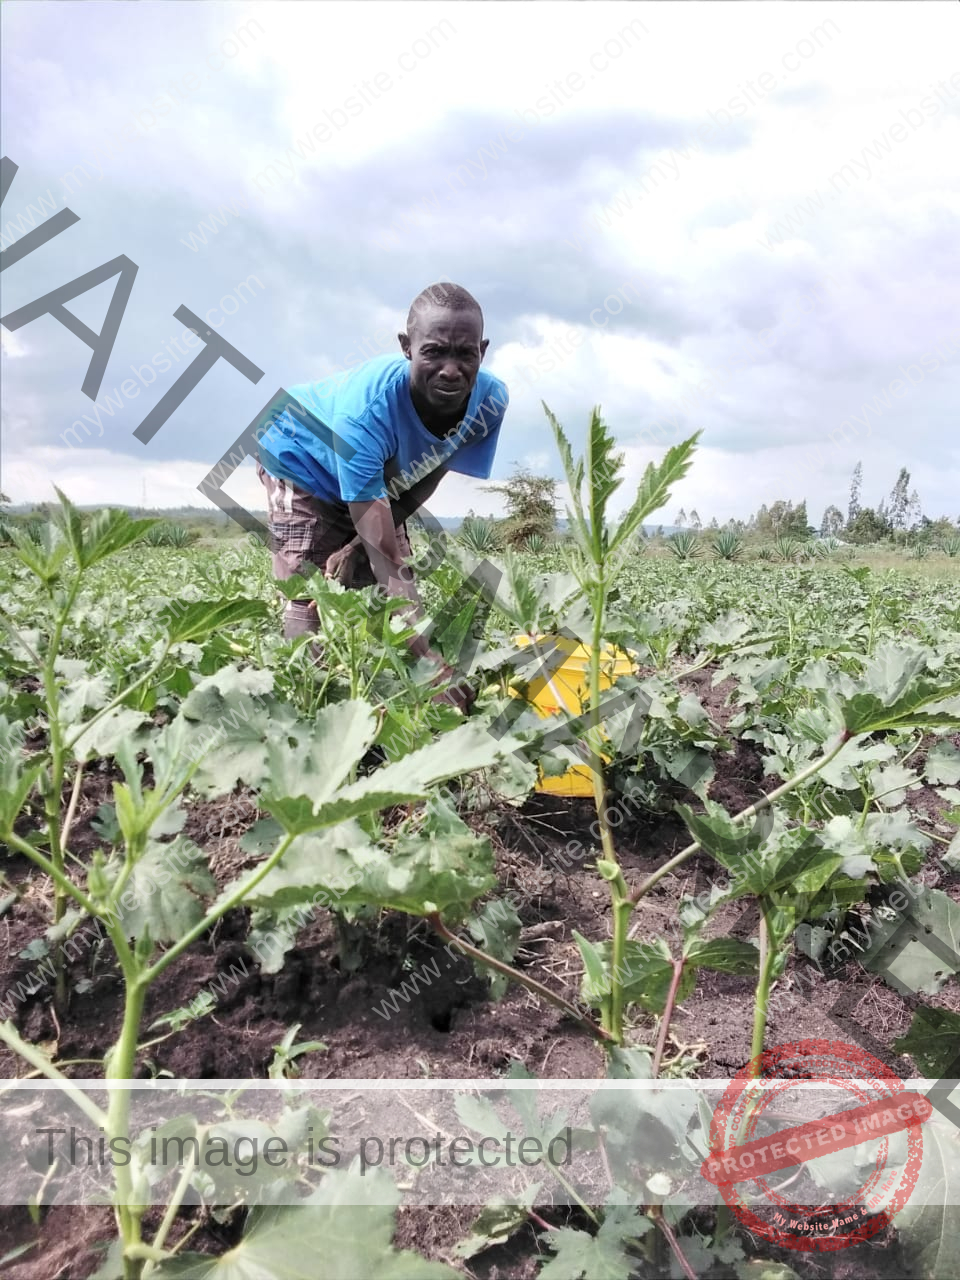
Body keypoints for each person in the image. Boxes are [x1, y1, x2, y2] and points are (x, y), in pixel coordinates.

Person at [255, 282, 509, 710]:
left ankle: (401, 703)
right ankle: (305, 708)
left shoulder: (489, 401)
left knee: (386, 575)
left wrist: (359, 542)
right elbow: (386, 559)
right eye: (433, 352)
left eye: (465, 353)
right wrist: (430, 662)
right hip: (297, 450)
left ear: (482, 350)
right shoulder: (366, 410)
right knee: (308, 586)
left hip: (373, 469)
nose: (450, 370)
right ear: (406, 347)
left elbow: (431, 471)